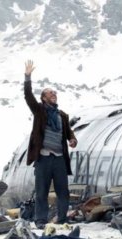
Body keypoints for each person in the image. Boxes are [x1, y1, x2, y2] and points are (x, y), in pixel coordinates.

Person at [24, 60, 77, 229]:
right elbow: (28, 96)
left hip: (59, 158)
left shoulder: (62, 115)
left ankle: (62, 219)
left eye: (55, 92)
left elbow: (68, 131)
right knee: (42, 191)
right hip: (44, 157)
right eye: (50, 93)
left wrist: (72, 139)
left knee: (63, 191)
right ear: (44, 98)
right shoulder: (39, 111)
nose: (54, 94)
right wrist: (27, 77)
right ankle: (40, 220)